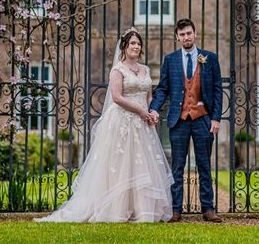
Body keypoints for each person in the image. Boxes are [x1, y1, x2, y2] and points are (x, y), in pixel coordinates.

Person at [34, 28, 173, 222]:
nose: (136, 46)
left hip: (142, 124)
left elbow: (149, 96)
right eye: (132, 43)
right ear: (124, 46)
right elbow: (117, 97)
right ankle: (115, 209)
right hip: (122, 121)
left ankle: (141, 210)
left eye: (138, 43)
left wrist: (151, 112)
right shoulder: (118, 69)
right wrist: (140, 111)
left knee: (140, 166)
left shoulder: (146, 70)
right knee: (119, 165)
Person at [148, 18, 223, 223]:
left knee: (204, 165)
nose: (186, 37)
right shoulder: (170, 60)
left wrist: (215, 118)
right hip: (178, 120)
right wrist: (154, 108)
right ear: (177, 37)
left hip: (203, 119)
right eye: (182, 34)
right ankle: (175, 210)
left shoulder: (210, 58)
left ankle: (208, 209)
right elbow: (163, 88)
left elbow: (217, 90)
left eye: (189, 33)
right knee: (177, 167)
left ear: (195, 34)